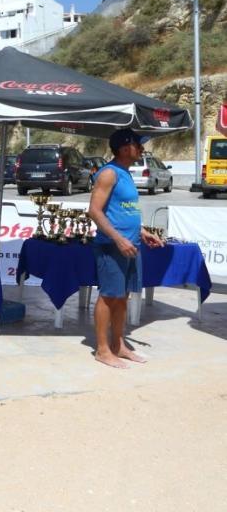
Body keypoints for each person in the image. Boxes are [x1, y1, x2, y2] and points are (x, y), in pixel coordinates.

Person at [88, 129, 164, 369]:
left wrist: (142, 232)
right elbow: (94, 211)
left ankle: (118, 345)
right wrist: (119, 239)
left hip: (132, 246)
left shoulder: (126, 174)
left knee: (123, 297)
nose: (141, 149)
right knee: (109, 296)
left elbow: (125, 210)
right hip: (112, 246)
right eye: (137, 145)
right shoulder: (109, 173)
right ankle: (102, 350)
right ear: (124, 148)